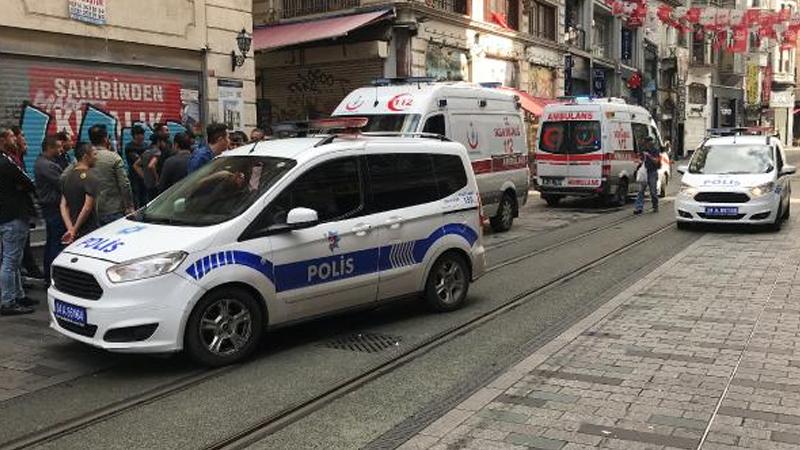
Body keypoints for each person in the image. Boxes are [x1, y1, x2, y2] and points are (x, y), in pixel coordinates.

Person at [0, 126, 37, 315]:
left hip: (6, 217)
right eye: (12, 137)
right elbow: (29, 183)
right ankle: (7, 301)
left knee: (11, 260)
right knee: (10, 261)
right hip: (13, 216)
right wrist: (20, 187)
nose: (16, 140)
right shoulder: (6, 163)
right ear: (2, 140)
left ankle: (17, 295)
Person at [9, 126, 45, 281]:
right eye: (21, 135)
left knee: (22, 244)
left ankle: (24, 275)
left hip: (22, 207)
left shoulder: (18, 156)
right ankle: (27, 272)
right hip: (15, 210)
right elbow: (22, 182)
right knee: (15, 249)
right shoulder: (10, 159)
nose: (25, 138)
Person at [34, 136, 66, 286]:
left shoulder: (43, 163)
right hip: (53, 208)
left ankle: (49, 276)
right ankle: (54, 278)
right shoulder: (47, 166)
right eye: (58, 147)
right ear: (50, 148)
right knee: (56, 242)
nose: (61, 150)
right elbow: (63, 183)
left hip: (50, 208)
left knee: (52, 242)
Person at [88, 124, 134, 225]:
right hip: (113, 209)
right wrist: (129, 206)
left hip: (91, 210)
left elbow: (65, 177)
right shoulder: (114, 158)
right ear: (105, 139)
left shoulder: (82, 159)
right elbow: (124, 184)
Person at [60, 143, 100, 244]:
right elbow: (87, 207)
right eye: (94, 154)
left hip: (74, 230)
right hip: (89, 229)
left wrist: (70, 228)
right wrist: (75, 229)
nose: (97, 158)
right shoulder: (91, 177)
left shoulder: (68, 177)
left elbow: (63, 205)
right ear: (85, 157)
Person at [634, 136, 662, 215]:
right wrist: (639, 160)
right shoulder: (643, 150)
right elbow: (639, 159)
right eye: (645, 142)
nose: (646, 144)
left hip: (652, 172)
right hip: (644, 172)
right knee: (641, 191)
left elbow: (656, 161)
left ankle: (655, 206)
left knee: (653, 191)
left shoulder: (655, 150)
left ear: (651, 142)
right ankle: (639, 207)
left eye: (647, 142)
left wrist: (649, 156)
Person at [137, 134, 167, 201]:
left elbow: (136, 165)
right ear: (159, 142)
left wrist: (144, 176)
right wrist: (157, 180)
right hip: (154, 185)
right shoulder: (157, 152)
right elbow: (151, 165)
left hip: (147, 184)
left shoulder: (146, 152)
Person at [125, 125, 148, 207]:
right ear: (134, 135)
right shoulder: (129, 147)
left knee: (144, 199)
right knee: (135, 198)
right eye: (139, 134)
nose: (142, 136)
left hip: (144, 176)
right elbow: (138, 160)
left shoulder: (145, 146)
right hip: (134, 177)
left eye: (142, 134)